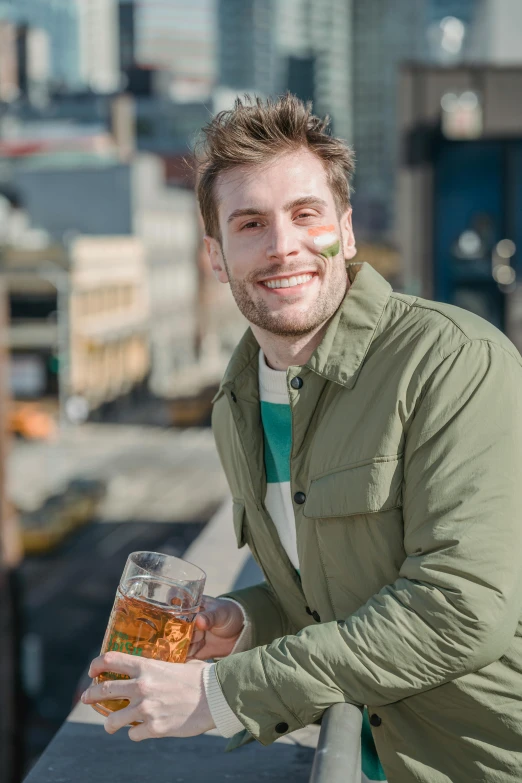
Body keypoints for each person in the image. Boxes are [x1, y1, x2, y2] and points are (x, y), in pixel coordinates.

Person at [82, 95, 522, 783]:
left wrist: (220, 693)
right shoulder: (236, 403)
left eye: (305, 214)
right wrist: (246, 623)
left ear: (344, 232)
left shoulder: (454, 361)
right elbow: (332, 592)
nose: (282, 245)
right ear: (216, 257)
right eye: (250, 223)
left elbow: (461, 607)